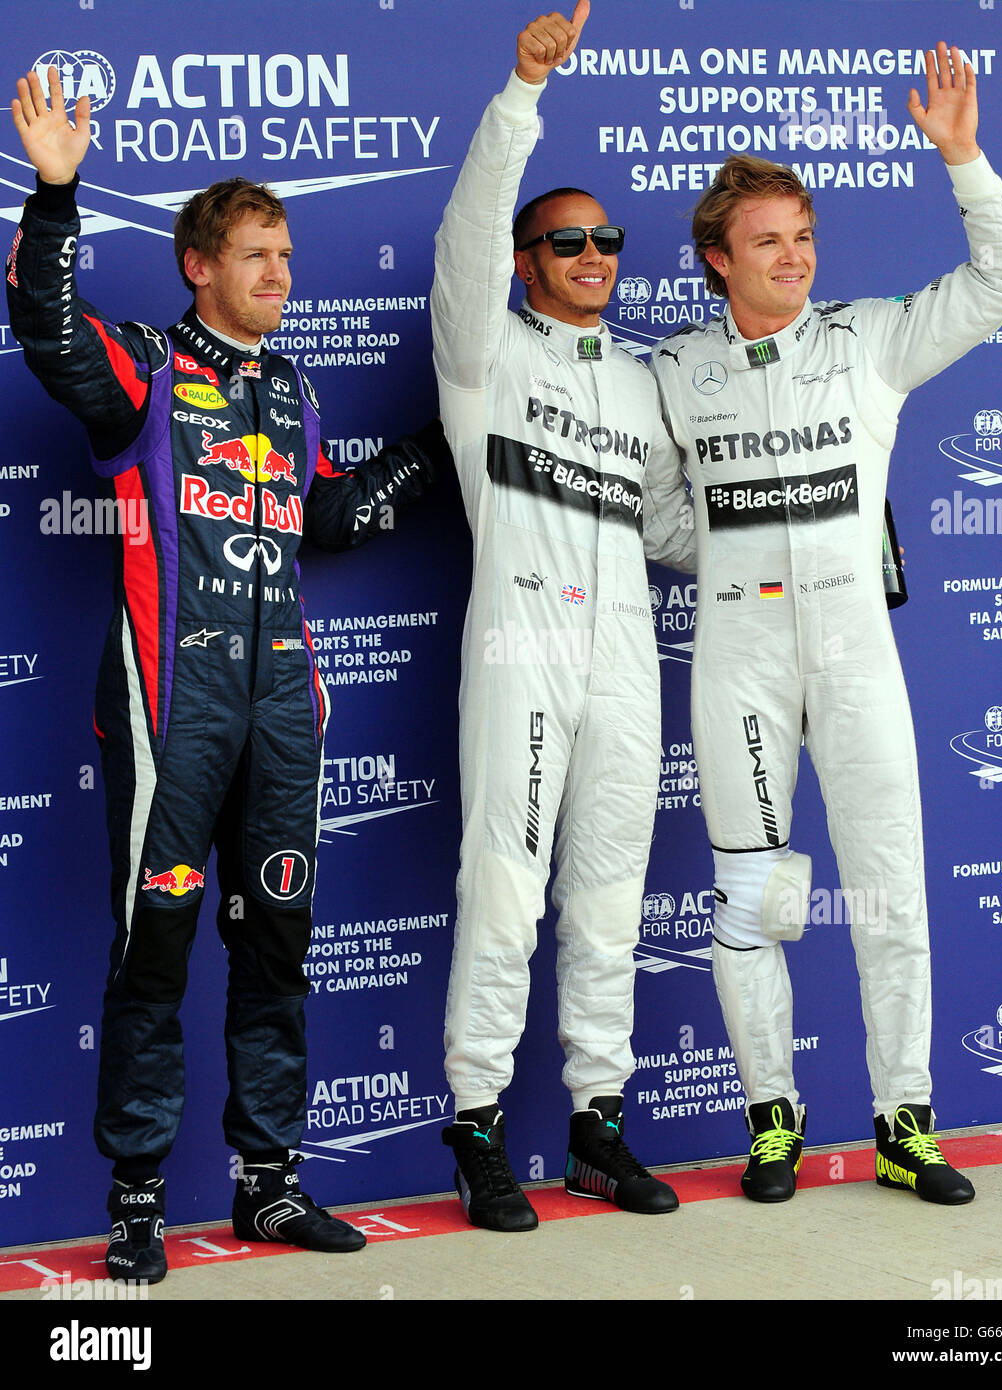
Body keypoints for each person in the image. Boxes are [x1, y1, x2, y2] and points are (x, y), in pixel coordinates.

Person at [7, 66, 445, 1282]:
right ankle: (139, 1199)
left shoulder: (296, 392)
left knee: (278, 949)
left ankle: (268, 1185)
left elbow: (327, 520)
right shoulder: (147, 369)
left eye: (287, 257)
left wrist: (435, 447)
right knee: (154, 949)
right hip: (168, 707)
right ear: (201, 265)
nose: (278, 276)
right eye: (254, 256)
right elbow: (46, 331)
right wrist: (55, 193)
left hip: (285, 712)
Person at [651, 43, 1002, 1205]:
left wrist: (963, 159)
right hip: (738, 661)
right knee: (750, 897)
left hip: (857, 650)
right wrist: (737, 566)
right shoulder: (672, 368)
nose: (796, 257)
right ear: (720, 260)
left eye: (804, 236)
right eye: (769, 241)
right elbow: (665, 516)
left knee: (887, 887)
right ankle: (773, 1117)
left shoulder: (869, 339)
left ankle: (905, 1122)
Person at [431, 2, 694, 1232]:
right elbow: (473, 241)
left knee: (608, 893)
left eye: (607, 240)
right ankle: (477, 1124)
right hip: (523, 642)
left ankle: (599, 1124)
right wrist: (520, 95)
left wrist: (830, 528)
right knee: (505, 883)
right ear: (533, 262)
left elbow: (683, 534)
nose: (594, 253)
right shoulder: (484, 356)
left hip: (626, 657)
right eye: (567, 240)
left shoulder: (643, 384)